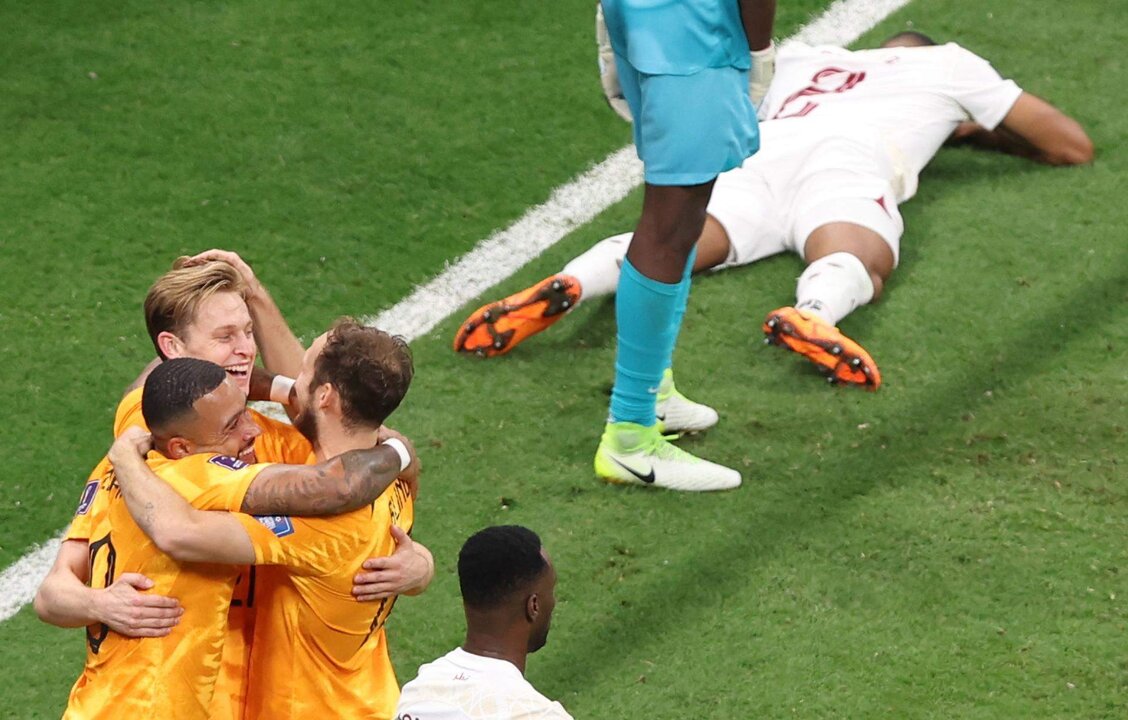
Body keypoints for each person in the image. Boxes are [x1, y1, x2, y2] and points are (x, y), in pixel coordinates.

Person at [454, 31, 1093, 394]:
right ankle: (813, 313)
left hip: (761, 154)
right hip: (850, 160)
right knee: (857, 255)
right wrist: (971, 130)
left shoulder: (808, 57)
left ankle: (575, 280)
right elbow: (1069, 144)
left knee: (679, 239)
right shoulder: (949, 65)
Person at [37, 254, 432, 717]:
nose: (246, 348)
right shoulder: (162, 454)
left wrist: (420, 562)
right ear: (174, 349)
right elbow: (335, 480)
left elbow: (327, 417)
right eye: (225, 337)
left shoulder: (167, 442)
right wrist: (99, 603)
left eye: (248, 331)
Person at [473, 0, 776, 492]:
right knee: (671, 224)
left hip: (650, 21)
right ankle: (630, 437)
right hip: (694, 35)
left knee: (684, 218)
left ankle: (652, 390)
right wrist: (760, 46)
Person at [108, 320, 426, 719]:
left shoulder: (326, 517)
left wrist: (121, 457)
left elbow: (179, 531)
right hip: (369, 696)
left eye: (304, 372)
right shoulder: (391, 478)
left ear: (324, 396)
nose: (293, 383)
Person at [394, 525, 572, 720]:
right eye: (551, 591)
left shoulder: (418, 690)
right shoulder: (538, 714)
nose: (554, 602)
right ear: (534, 605)